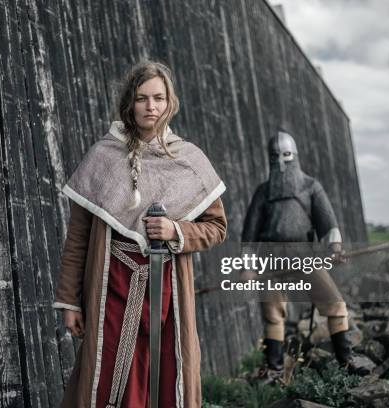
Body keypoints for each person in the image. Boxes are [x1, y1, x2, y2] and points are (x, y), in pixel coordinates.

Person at [52, 61, 227, 408]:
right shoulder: (104, 156)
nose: (151, 107)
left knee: (166, 378)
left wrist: (177, 230)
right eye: (142, 98)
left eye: (159, 98)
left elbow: (217, 227)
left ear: (170, 102)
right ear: (129, 103)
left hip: (168, 291)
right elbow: (78, 238)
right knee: (107, 379)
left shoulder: (189, 160)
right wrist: (70, 301)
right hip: (110, 289)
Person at [241, 129, 368, 381]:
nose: (281, 161)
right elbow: (249, 237)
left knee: (335, 305)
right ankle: (275, 370)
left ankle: (346, 361)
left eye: (285, 155)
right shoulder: (263, 193)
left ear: (294, 156)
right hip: (271, 259)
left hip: (304, 256)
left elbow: (328, 225)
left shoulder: (311, 187)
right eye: (276, 156)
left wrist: (335, 248)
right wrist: (247, 266)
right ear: (270, 158)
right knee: (273, 315)